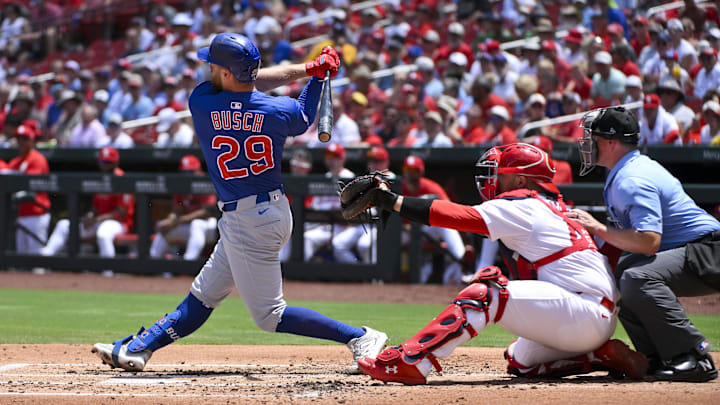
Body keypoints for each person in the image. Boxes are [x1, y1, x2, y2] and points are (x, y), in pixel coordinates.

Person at [91, 34, 387, 375]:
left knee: (269, 315)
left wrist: (309, 69)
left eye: (215, 66)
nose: (210, 71)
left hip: (251, 220)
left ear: (226, 72)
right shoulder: (277, 111)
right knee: (203, 295)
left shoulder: (201, 101)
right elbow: (302, 112)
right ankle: (140, 348)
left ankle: (360, 337)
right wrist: (315, 76)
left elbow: (242, 81)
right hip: (264, 213)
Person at [344, 143, 647, 384]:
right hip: (591, 314)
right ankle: (597, 356)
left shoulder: (525, 204)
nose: (492, 179)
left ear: (521, 179)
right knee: (521, 361)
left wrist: (393, 202)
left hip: (583, 310)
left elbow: (461, 217)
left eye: (500, 173)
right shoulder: (555, 206)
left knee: (486, 294)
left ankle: (411, 362)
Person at [569, 106, 720, 382]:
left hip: (709, 250)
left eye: (594, 138)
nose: (588, 143)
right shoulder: (625, 170)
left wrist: (597, 227)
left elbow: (650, 241)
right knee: (620, 276)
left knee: (637, 277)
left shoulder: (631, 178)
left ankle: (693, 355)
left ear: (611, 142)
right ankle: (659, 357)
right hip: (694, 250)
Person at [40, 147, 134, 259]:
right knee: (63, 225)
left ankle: (108, 270)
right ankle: (45, 258)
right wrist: (89, 216)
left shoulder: (122, 180)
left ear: (116, 162)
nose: (104, 165)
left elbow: (121, 214)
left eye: (108, 162)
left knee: (103, 233)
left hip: (119, 224)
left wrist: (96, 219)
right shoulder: (101, 179)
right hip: (98, 222)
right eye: (102, 162)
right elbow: (95, 208)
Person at [150, 155, 218, 261]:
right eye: (185, 172)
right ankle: (152, 262)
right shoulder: (182, 184)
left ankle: (188, 262)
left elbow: (206, 211)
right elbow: (177, 209)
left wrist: (179, 220)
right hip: (188, 226)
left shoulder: (205, 181)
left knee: (197, 224)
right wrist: (169, 221)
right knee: (163, 228)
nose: (187, 175)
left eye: (191, 172)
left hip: (210, 226)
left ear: (198, 170)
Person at [7, 122, 51, 255]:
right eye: (19, 138)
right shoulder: (15, 162)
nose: (21, 142)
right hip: (21, 214)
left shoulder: (37, 159)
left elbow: (31, 184)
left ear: (32, 140)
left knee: (37, 257)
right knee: (22, 258)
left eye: (25, 139)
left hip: (37, 213)